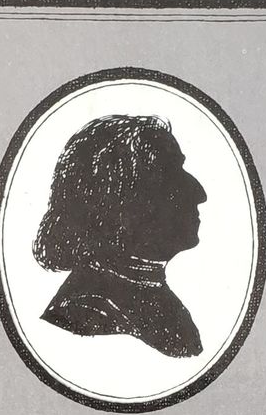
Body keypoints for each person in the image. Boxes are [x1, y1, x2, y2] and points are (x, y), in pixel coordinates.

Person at [33, 114, 207, 359]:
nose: (199, 193)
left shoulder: (157, 299)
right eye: (170, 173)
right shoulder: (87, 310)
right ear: (119, 199)